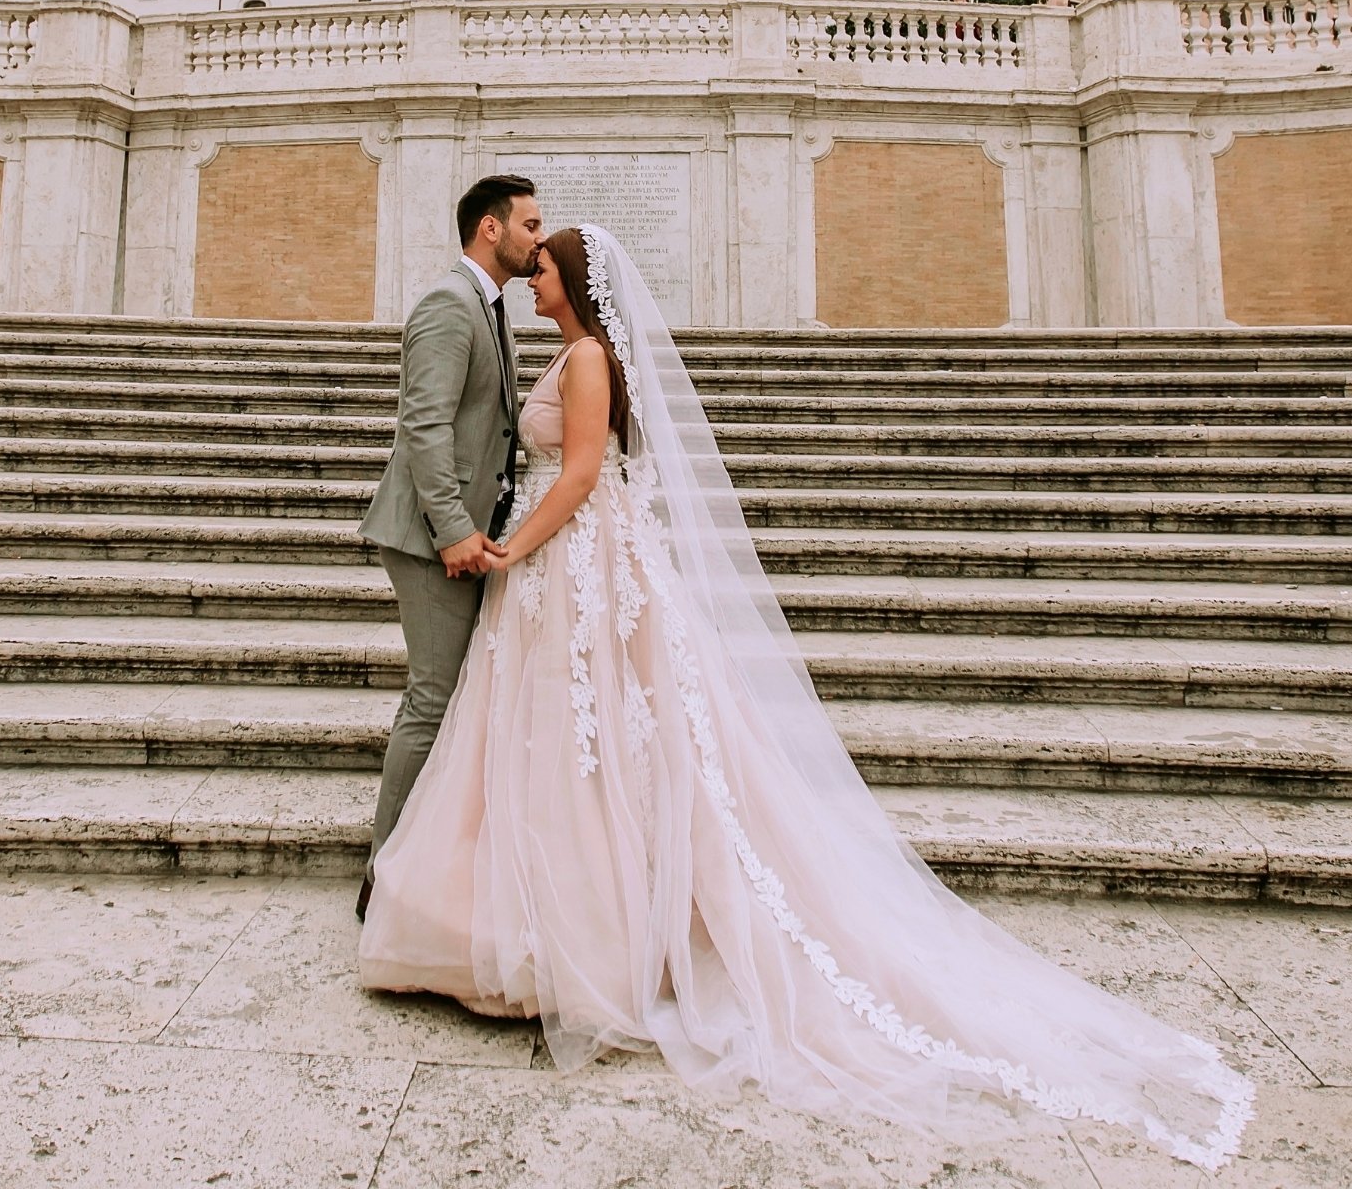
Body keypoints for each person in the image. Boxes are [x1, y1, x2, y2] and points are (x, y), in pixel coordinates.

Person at [361, 225, 1253, 1172]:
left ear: (573, 282)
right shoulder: (580, 350)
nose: (528, 277)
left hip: (572, 565)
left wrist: (511, 547)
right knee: (574, 747)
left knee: (590, 746)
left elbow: (580, 474)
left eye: (540, 269)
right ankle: (542, 924)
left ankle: (580, 938)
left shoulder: (584, 357)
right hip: (568, 574)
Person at [354, 173, 544, 922]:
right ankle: (383, 875)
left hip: (470, 531)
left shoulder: (489, 307)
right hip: (432, 538)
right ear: (490, 230)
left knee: (450, 699)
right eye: (529, 223)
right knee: (430, 701)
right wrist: (454, 530)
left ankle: (426, 863)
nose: (538, 235)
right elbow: (422, 425)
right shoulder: (447, 303)